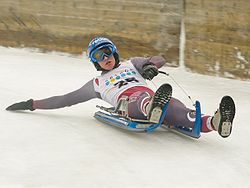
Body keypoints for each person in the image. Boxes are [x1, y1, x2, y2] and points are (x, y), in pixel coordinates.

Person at [6, 37, 236, 138]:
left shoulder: (131, 64)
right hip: (128, 104)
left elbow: (159, 58)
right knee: (139, 100)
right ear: (95, 62)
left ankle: (213, 122)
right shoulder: (96, 84)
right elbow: (64, 99)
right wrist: (32, 104)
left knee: (176, 107)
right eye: (99, 55)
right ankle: (152, 108)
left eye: (108, 52)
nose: (105, 57)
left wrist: (148, 67)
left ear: (115, 53)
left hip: (153, 96)